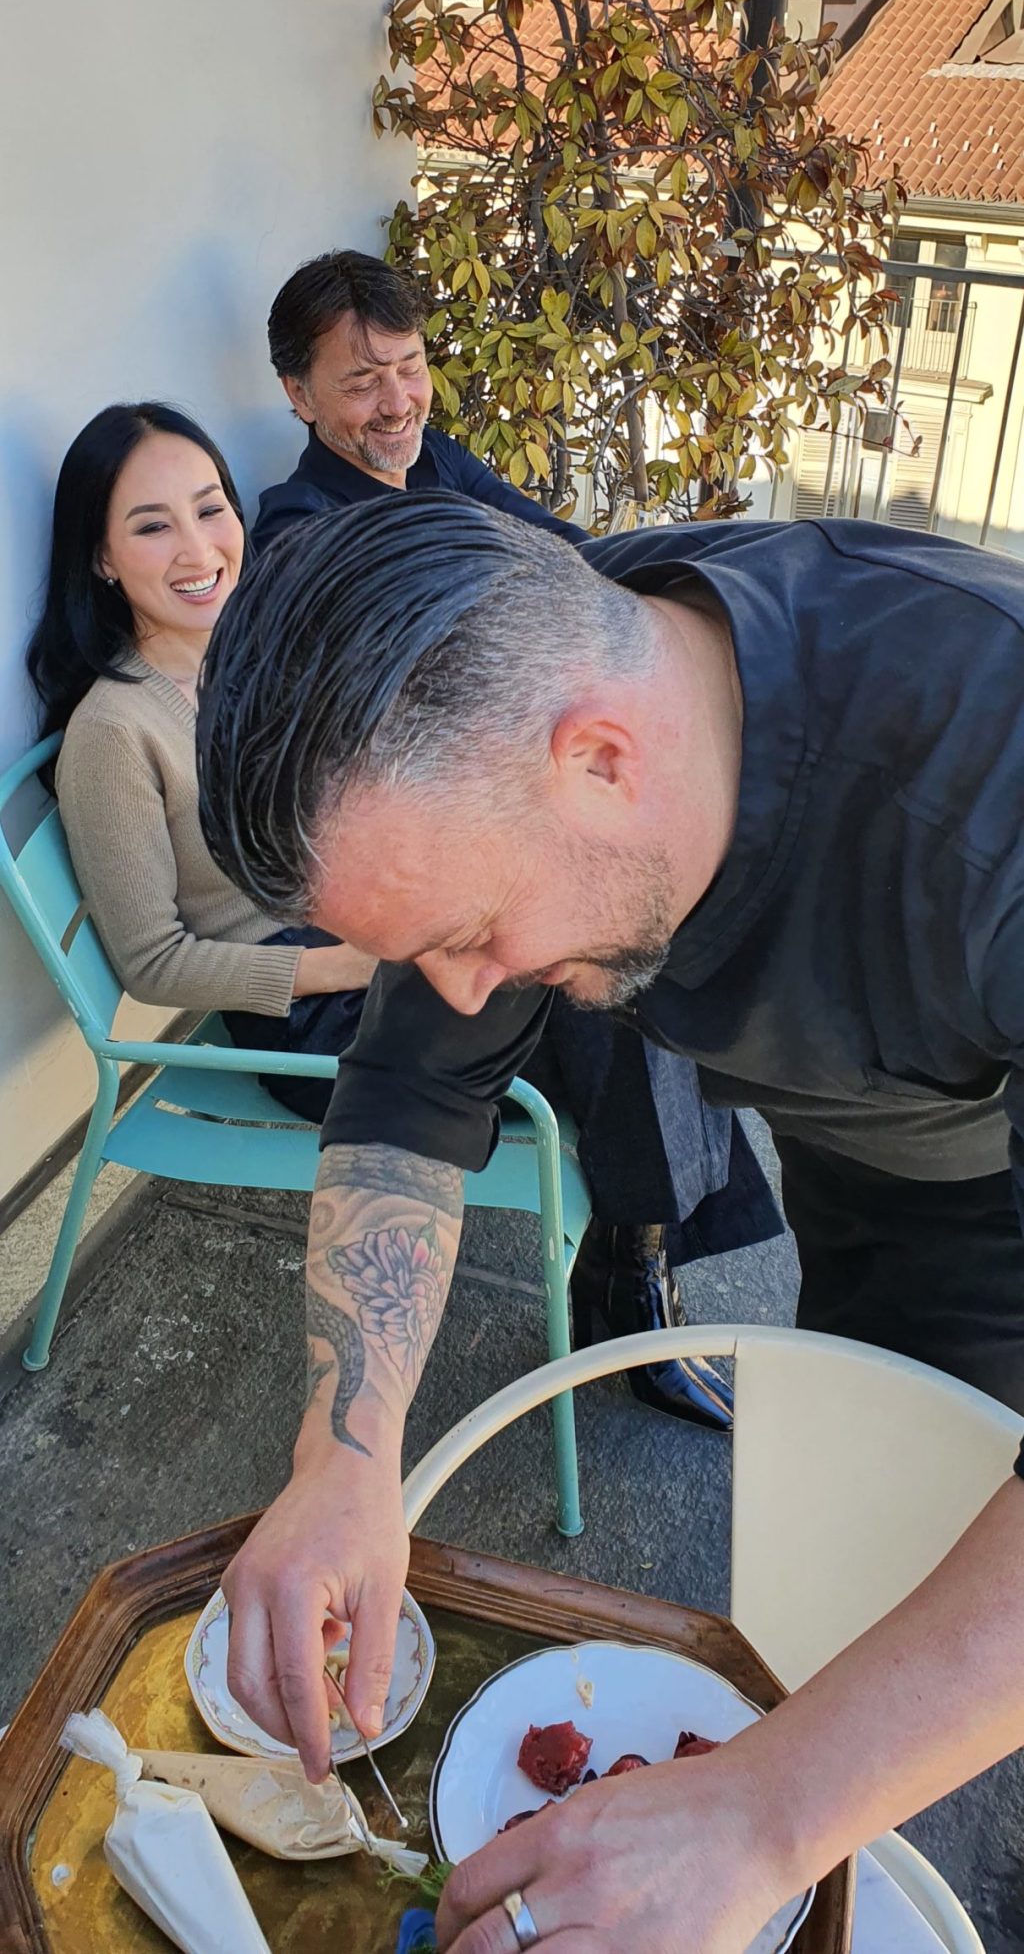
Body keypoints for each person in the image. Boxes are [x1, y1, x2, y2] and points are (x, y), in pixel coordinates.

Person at [197, 494, 1024, 1951]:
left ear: (600, 758)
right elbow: (404, 1091)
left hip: (993, 1192)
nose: (467, 995)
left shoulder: (988, 784)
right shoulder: (522, 687)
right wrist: (341, 1453)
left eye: (468, 935)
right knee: (867, 1598)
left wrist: (763, 1812)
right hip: (873, 1171)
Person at [253, 246, 783, 1426]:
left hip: (482, 858)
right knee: (616, 974)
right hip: (387, 928)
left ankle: (635, 1261)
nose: (393, 400)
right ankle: (634, 1285)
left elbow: (574, 566)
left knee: (639, 915)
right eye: (357, 381)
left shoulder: (433, 467)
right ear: (297, 395)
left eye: (406, 365)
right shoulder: (304, 540)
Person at [26, 403, 376, 1112]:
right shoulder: (115, 733)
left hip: (375, 934)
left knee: (605, 957)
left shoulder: (262, 658)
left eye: (209, 510)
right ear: (101, 557)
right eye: (153, 526)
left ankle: (640, 1212)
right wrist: (348, 965)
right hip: (312, 1018)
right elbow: (153, 964)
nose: (197, 550)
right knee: (568, 1005)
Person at [252, 247, 587, 553]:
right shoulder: (299, 527)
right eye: (364, 383)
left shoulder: (435, 455)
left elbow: (559, 541)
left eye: (411, 369)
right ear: (301, 395)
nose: (398, 406)